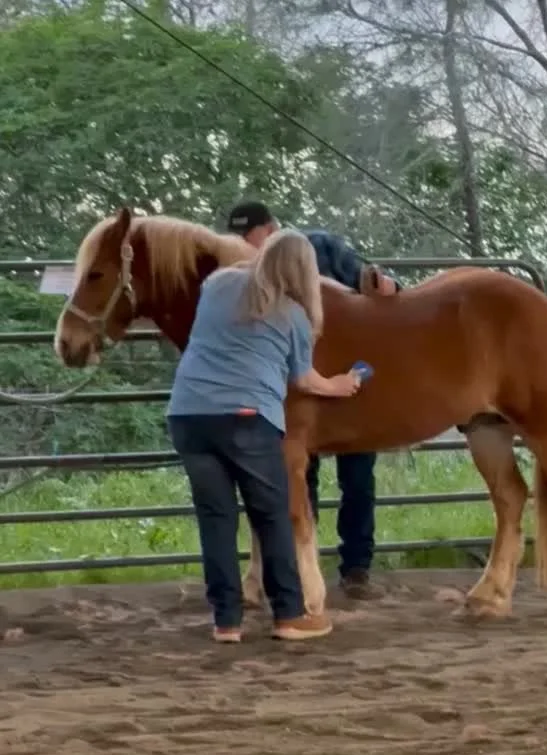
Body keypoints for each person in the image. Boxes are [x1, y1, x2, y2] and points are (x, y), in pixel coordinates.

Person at [166, 229, 362, 643]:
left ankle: (226, 621)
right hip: (246, 416)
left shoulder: (217, 285)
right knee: (271, 514)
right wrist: (341, 385)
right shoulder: (293, 316)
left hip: (188, 413)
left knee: (216, 519)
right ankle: (289, 615)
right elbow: (305, 379)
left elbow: (234, 275)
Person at [226, 200, 401, 600]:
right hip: (295, 388)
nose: (246, 247)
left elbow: (371, 284)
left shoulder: (321, 247)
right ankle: (305, 569)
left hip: (344, 383)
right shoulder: (245, 271)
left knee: (357, 476)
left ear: (270, 229)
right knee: (301, 480)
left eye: (250, 236)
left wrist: (383, 284)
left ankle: (356, 567)